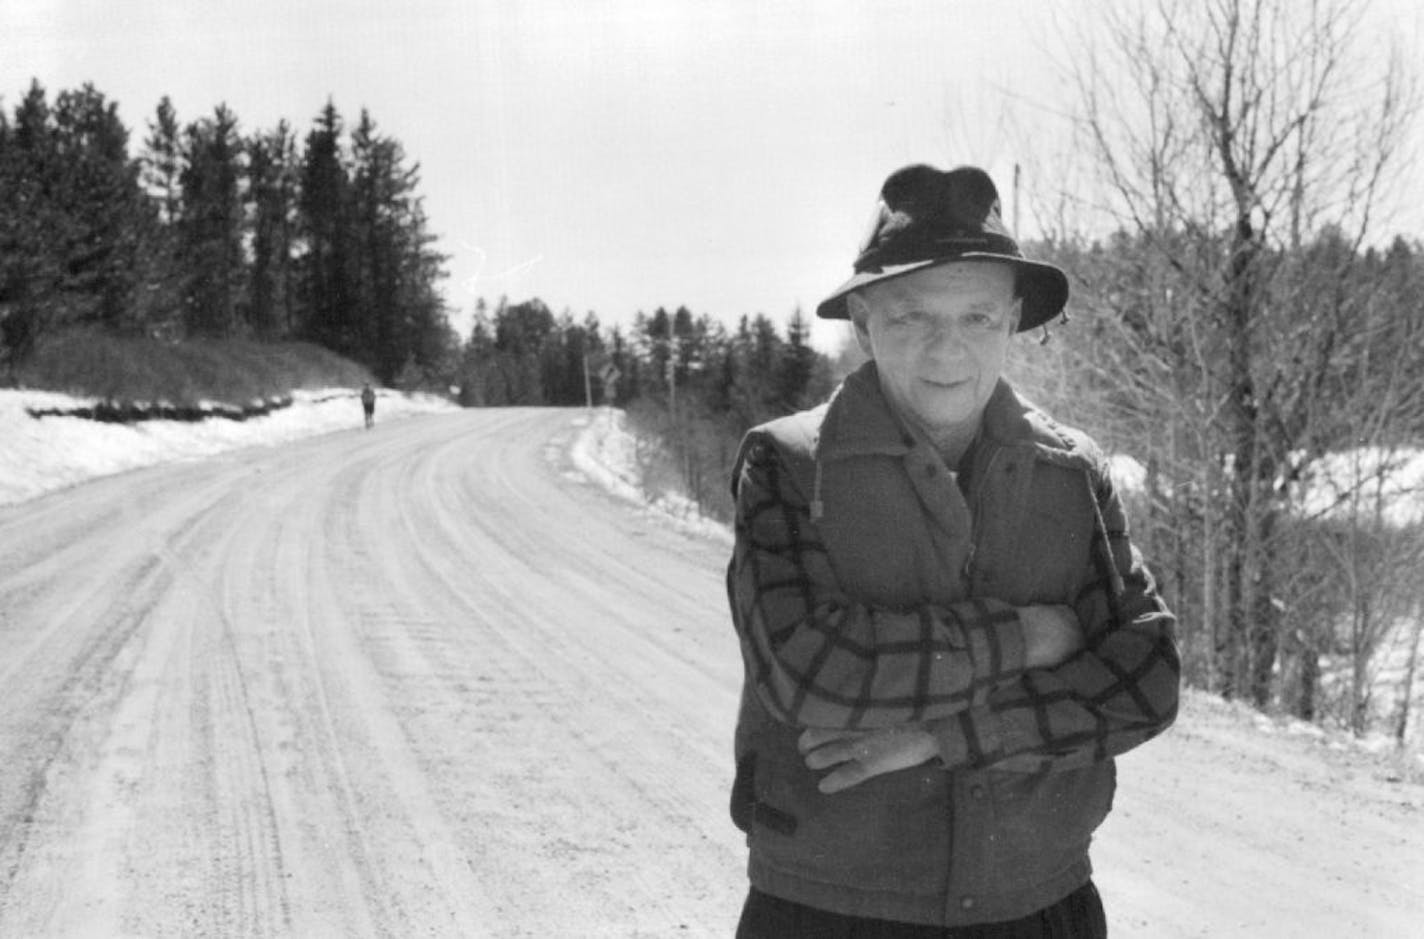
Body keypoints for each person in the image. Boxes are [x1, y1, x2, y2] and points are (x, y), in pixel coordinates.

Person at [727, 164, 1180, 937]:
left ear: (1013, 322)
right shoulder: (788, 462)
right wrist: (1030, 636)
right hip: (830, 909)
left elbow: (1147, 678)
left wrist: (939, 738)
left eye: (976, 317)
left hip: (1040, 904)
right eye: (911, 318)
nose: (948, 349)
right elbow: (809, 669)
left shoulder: (1072, 472)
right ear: (865, 322)